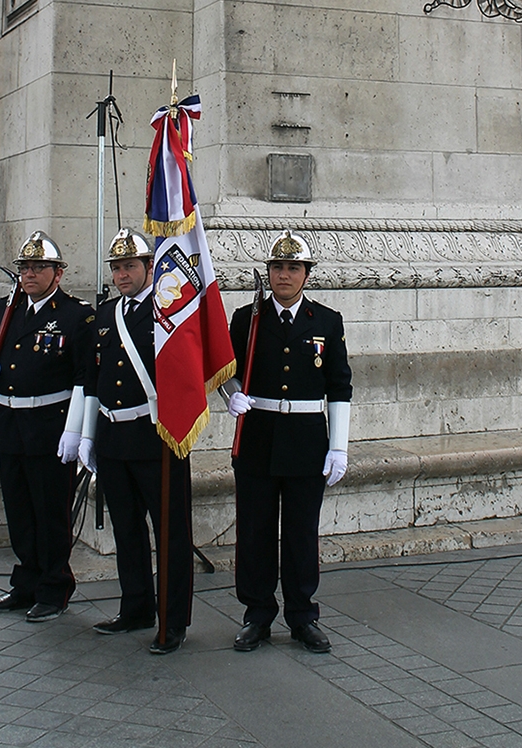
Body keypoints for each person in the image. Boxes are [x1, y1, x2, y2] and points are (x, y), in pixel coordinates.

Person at [223, 230, 352, 654]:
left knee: (300, 534)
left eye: (293, 268)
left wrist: (339, 446)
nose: (284, 275)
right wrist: (232, 394)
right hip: (258, 437)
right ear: (268, 272)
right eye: (277, 267)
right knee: (255, 531)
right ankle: (257, 615)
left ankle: (302, 616)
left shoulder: (327, 322)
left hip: (305, 441)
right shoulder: (248, 318)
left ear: (306, 275)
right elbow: (227, 371)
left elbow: (339, 386)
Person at [79, 227, 193, 655]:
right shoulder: (106, 315)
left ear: (150, 267)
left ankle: (174, 619)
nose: (122, 274)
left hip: (156, 436)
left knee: (169, 533)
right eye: (116, 267)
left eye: (130, 266)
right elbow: (92, 377)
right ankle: (136, 607)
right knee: (127, 530)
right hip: (113, 436)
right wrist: (88, 435)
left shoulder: (171, 313)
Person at [0, 231, 94, 621]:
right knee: (19, 509)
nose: (29, 274)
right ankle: (25, 581)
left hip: (50, 423)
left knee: (50, 511)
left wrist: (77, 431)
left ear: (57, 273)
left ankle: (54, 585)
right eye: (24, 267)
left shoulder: (75, 315)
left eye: (38, 267)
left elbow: (83, 377)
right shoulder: (7, 307)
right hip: (10, 421)